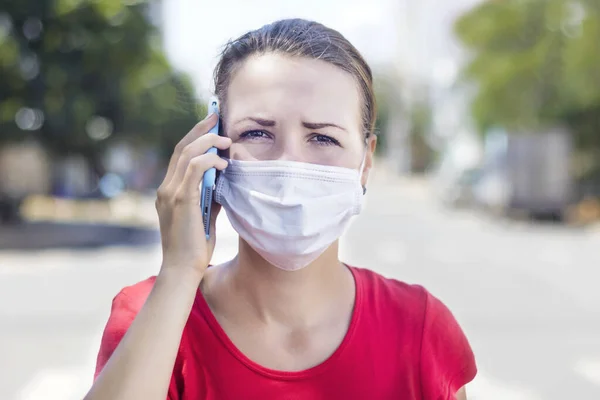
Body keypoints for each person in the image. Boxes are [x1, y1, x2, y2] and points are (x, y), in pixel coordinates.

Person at [85, 18, 477, 400]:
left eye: (322, 137)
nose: (290, 164)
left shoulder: (419, 329)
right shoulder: (152, 317)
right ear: (211, 148)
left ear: (366, 164)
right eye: (257, 133)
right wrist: (178, 273)